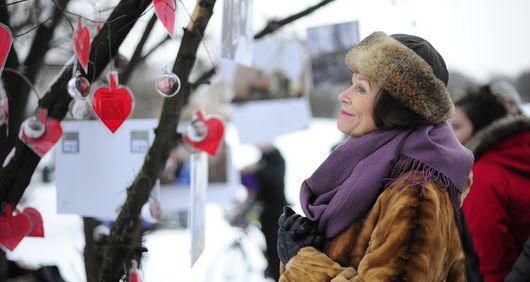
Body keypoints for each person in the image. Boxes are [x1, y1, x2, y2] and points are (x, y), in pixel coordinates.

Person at [276, 31, 474, 281]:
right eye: (352, 83)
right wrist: (308, 249)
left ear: (396, 105)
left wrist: (302, 265)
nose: (343, 96)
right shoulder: (371, 165)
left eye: (361, 88)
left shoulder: (417, 193)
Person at [454, 86, 530, 282]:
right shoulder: (519, 150)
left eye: (456, 127)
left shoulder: (480, 178)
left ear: (481, 127)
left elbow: (495, 266)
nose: (449, 137)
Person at [235, 144, 287, 281]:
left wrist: (255, 170)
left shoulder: (276, 158)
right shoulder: (262, 160)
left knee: (275, 251)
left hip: (275, 213)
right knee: (270, 250)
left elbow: (273, 177)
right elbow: (253, 184)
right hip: (264, 212)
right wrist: (244, 173)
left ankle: (277, 276)